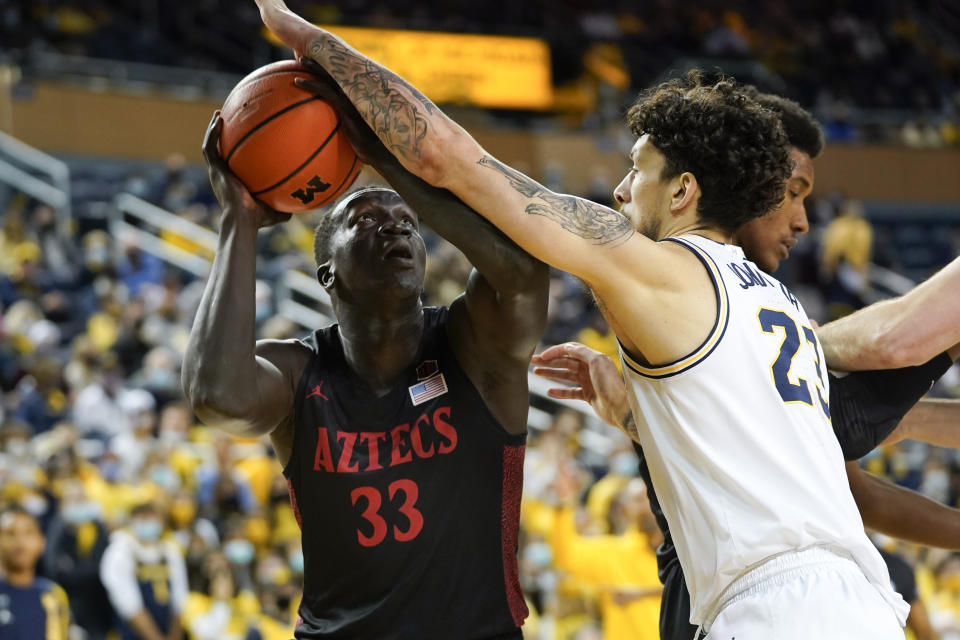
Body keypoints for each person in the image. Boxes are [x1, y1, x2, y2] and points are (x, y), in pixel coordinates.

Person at [255, 3, 910, 636]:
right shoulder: (775, 300)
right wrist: (636, 410)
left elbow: (445, 156)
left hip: (775, 608)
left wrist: (318, 47)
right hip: (860, 597)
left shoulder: (661, 269)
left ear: (682, 192)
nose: (621, 190)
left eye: (637, 171)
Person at [531, 88, 960, 640]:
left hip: (736, 589)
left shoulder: (754, 300)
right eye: (791, 191)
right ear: (743, 177)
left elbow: (855, 486)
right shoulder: (691, 283)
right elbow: (891, 342)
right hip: (726, 586)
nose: (802, 218)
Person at [181, 84, 549, 636]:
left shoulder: (474, 345)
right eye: (368, 217)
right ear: (326, 271)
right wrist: (239, 220)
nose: (397, 223)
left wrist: (381, 158)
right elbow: (216, 395)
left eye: (408, 220)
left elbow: (522, 271)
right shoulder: (299, 371)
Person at [99, 502, 188, 640]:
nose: (148, 522)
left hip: (168, 628)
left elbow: (180, 602)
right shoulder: (120, 551)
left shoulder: (170, 551)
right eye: (143, 518)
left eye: (151, 517)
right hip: (132, 634)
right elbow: (129, 606)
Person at [0, 506, 71, 640]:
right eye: (10, 533)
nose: (20, 541)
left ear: (41, 542)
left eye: (28, 532)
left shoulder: (53, 593)